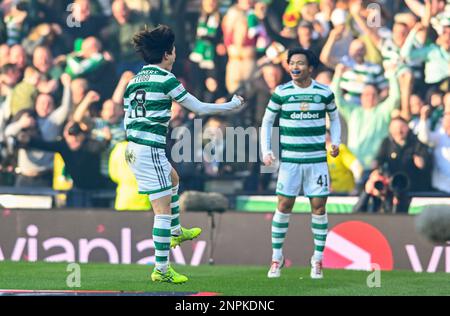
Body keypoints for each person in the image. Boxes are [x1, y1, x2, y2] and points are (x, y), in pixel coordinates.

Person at [124, 25, 244, 284]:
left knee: (174, 178)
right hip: (148, 149)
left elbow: (126, 116)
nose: (176, 54)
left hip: (133, 147)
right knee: (162, 210)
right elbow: (198, 107)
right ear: (167, 54)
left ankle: (176, 232)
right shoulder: (166, 79)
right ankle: (162, 268)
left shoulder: (133, 82)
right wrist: (231, 106)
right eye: (174, 50)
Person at [260, 48, 341, 279]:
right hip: (290, 162)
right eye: (291, 63)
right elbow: (267, 121)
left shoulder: (324, 92)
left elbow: (334, 118)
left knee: (319, 208)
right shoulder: (282, 92)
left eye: (300, 63)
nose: (295, 67)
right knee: (284, 205)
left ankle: (318, 259)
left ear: (311, 68)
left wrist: (336, 142)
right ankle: (277, 257)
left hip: (316, 161)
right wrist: (266, 150)